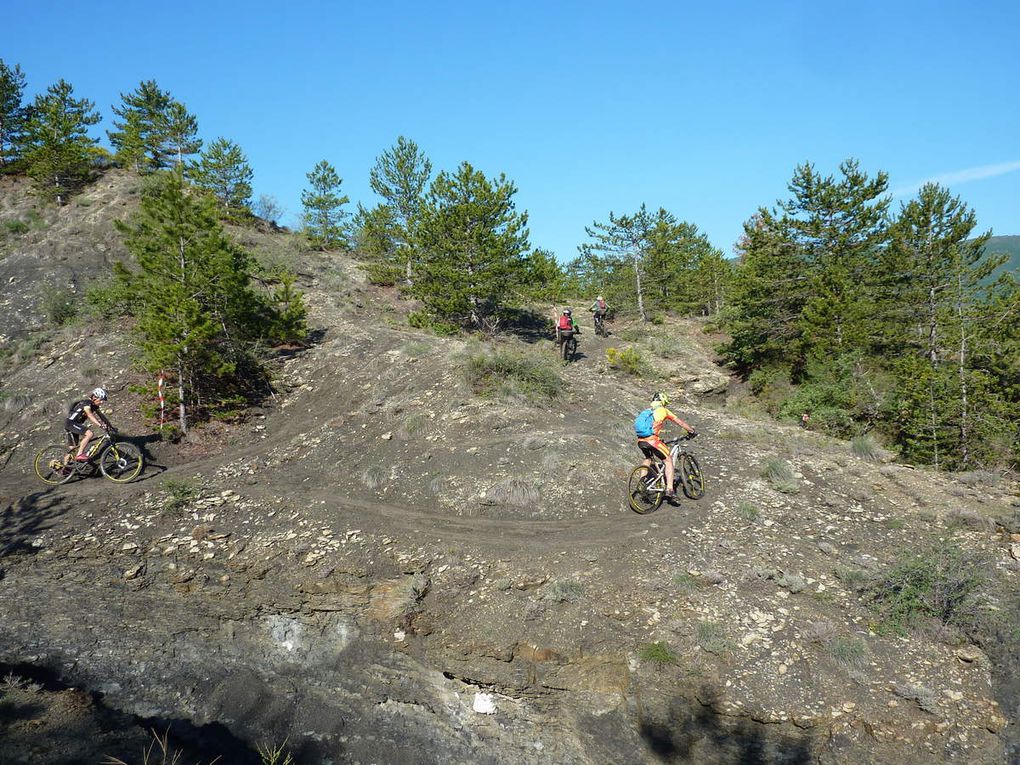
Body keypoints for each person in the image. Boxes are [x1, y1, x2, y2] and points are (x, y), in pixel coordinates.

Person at [634, 391, 697, 500]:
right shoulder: (664, 410)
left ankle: (642, 481)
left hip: (641, 441)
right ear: (663, 401)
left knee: (648, 458)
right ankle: (669, 489)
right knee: (668, 460)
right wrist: (691, 431)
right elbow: (680, 423)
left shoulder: (647, 411)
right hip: (652, 440)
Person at [65, 387, 112, 461]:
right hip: (71, 423)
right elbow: (90, 415)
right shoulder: (87, 403)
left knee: (72, 450)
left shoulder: (94, 406)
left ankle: (64, 469)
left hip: (72, 424)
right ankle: (80, 454)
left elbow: (102, 416)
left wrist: (111, 426)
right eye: (101, 400)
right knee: (89, 434)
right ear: (94, 397)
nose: (102, 402)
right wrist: (100, 425)